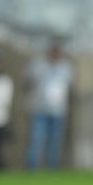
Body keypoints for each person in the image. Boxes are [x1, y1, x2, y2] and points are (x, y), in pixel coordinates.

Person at [26, 41, 73, 170]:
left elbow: (69, 86)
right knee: (37, 140)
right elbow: (29, 81)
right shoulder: (38, 65)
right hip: (39, 108)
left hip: (58, 110)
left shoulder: (66, 67)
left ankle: (53, 168)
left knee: (55, 141)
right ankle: (33, 167)